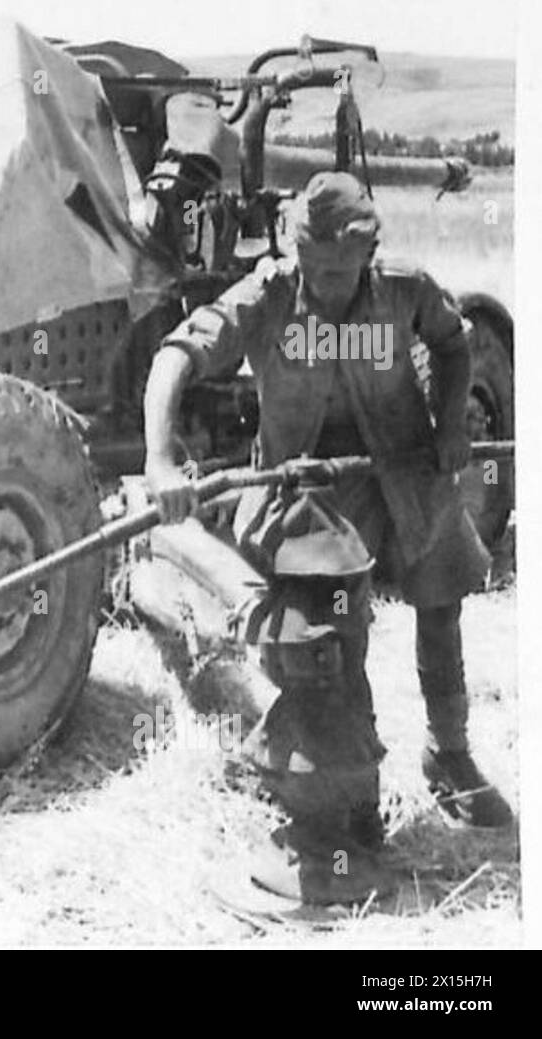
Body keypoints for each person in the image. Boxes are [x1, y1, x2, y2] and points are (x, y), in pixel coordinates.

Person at [142, 171, 512, 907]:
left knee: (441, 603)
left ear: (370, 255)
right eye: (315, 270)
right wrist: (159, 458)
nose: (327, 286)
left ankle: (451, 754)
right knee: (331, 637)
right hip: (307, 496)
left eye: (341, 274)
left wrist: (448, 427)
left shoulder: (404, 290)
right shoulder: (269, 295)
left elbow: (452, 341)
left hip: (403, 472)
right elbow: (174, 357)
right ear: (295, 253)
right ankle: (350, 801)